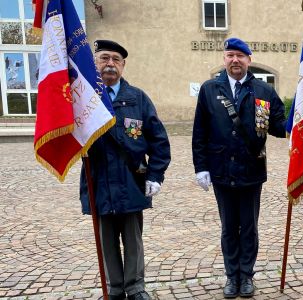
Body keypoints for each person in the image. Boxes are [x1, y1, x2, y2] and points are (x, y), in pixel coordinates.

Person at [191, 37, 286, 298]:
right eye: (230, 55)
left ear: (248, 60)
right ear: (224, 59)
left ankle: (247, 276)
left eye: (240, 56)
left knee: (249, 227)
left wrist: (299, 114)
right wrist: (201, 167)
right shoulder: (210, 89)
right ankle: (231, 276)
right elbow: (200, 131)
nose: (235, 60)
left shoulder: (263, 91)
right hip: (221, 170)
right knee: (229, 227)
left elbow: (279, 126)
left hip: (251, 170)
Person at [80, 40, 171, 300]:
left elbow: (159, 141)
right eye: (104, 58)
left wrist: (155, 175)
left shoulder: (137, 98)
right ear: (95, 63)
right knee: (106, 240)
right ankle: (115, 288)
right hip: (99, 180)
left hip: (132, 180)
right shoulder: (85, 99)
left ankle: (135, 287)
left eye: (116, 60)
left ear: (123, 65)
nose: (110, 64)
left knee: (133, 241)